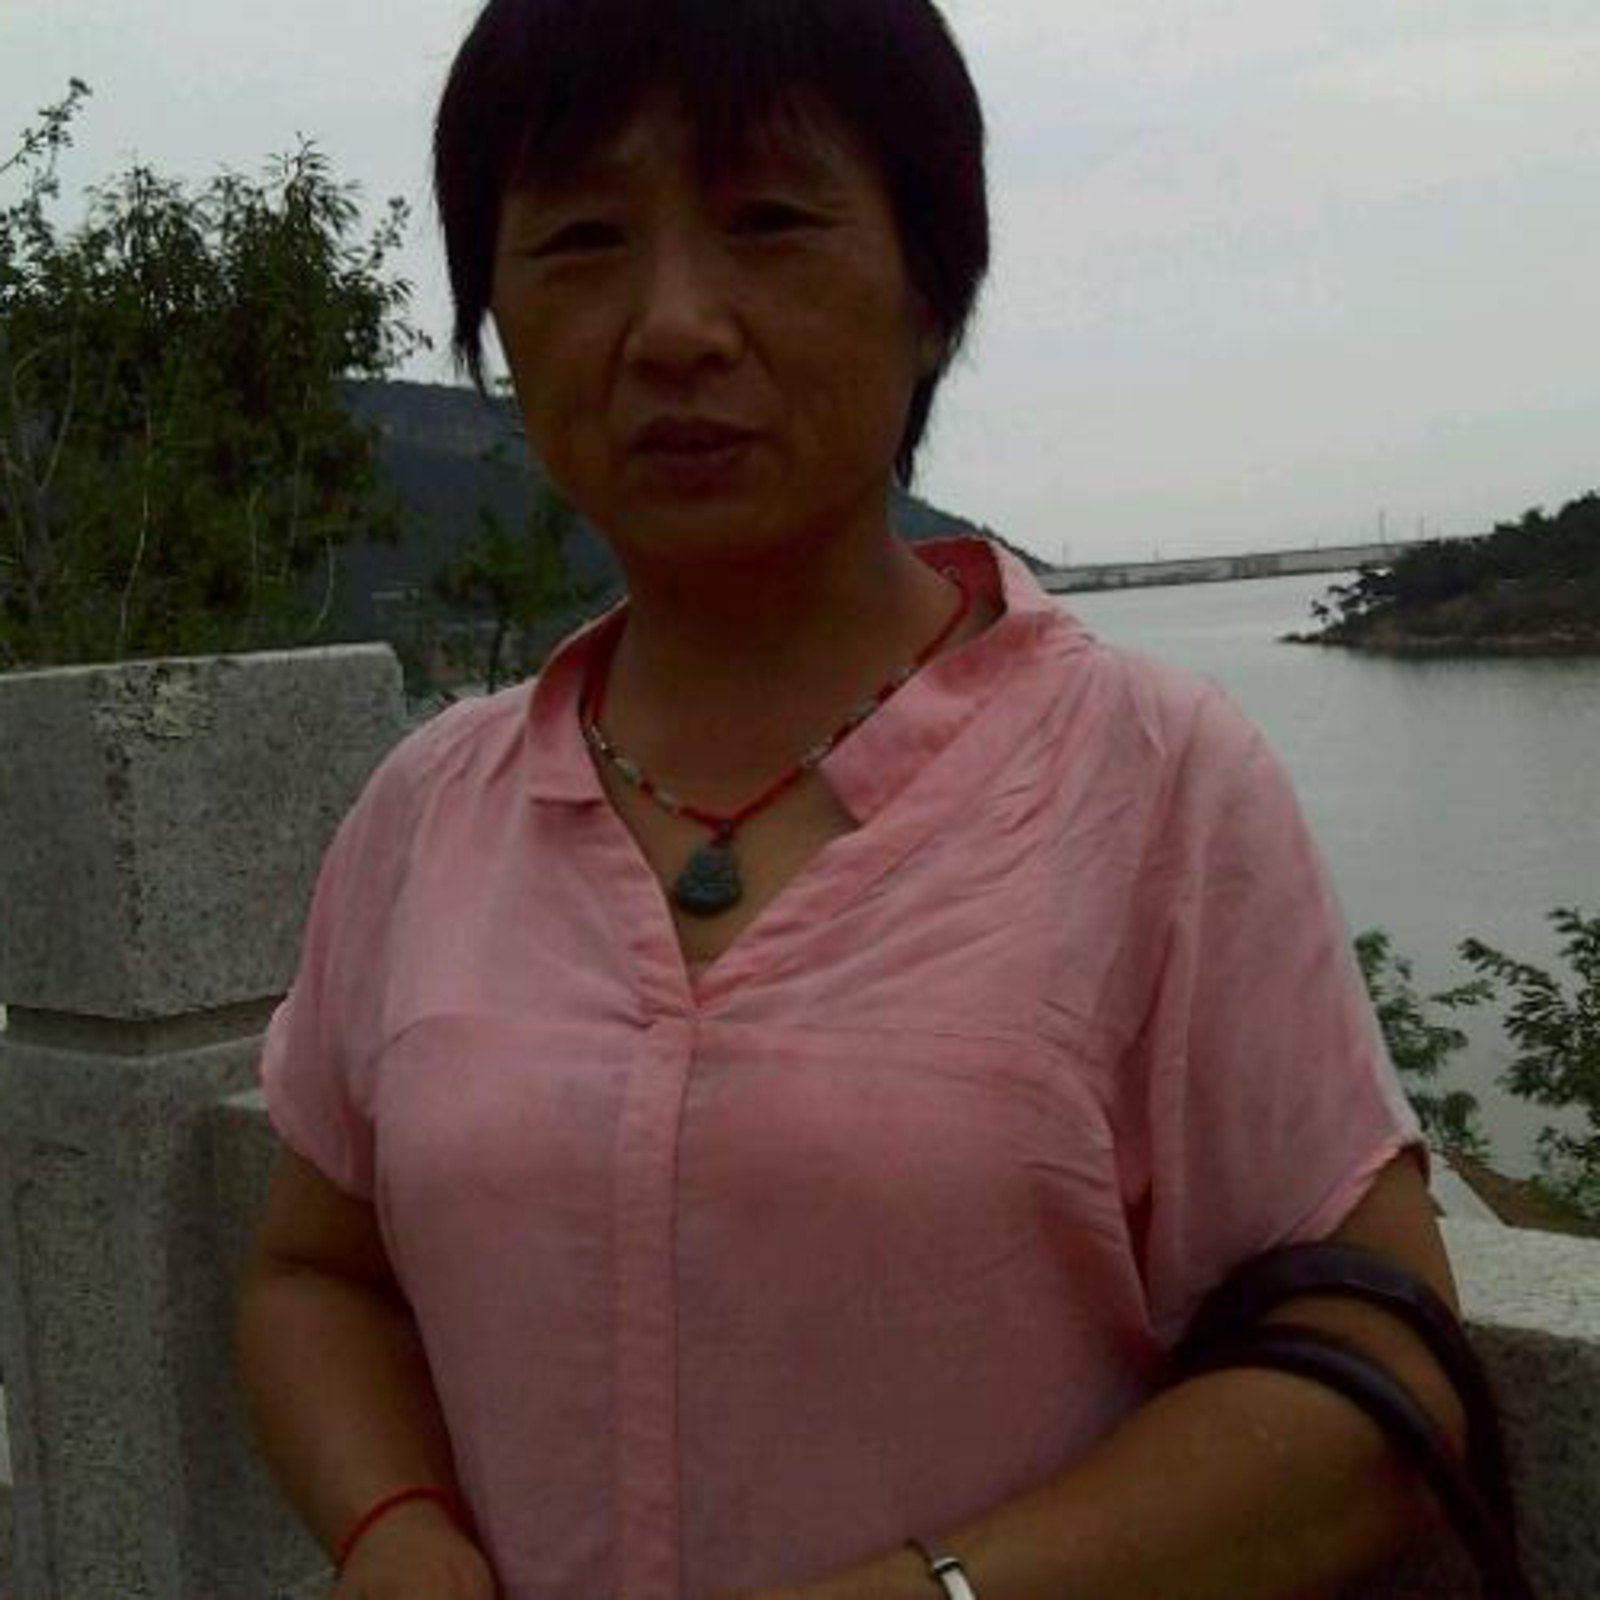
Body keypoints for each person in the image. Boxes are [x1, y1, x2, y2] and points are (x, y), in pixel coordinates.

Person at [234, 3, 1469, 1597]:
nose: (675, 325)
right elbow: (315, 1275)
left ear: (931, 294)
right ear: (495, 321)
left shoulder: (1150, 780)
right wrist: (396, 1532)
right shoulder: (425, 815)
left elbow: (1385, 1376)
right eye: (582, 240)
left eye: (769, 221)